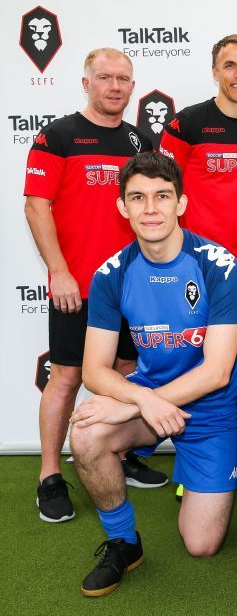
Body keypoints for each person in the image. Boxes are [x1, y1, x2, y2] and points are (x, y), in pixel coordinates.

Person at [68, 152, 237, 597]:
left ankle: (205, 468)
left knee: (201, 545)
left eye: (162, 196)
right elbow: (94, 368)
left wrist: (141, 401)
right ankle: (124, 543)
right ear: (122, 208)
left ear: (181, 203)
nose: (151, 208)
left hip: (211, 406)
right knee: (86, 433)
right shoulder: (111, 274)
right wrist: (143, 400)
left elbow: (218, 370)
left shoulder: (217, 265)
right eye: (138, 198)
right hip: (152, 397)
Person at [23, 47, 166, 523]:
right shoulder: (59, 135)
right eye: (105, 78)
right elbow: (36, 207)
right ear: (87, 83)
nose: (115, 86)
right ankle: (49, 475)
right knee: (65, 376)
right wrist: (59, 271)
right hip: (76, 285)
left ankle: (116, 455)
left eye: (123, 78)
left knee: (125, 368)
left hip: (131, 287)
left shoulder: (141, 141)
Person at [159, 34, 237, 266]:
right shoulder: (186, 124)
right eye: (229, 66)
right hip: (199, 260)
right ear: (215, 73)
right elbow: (164, 192)